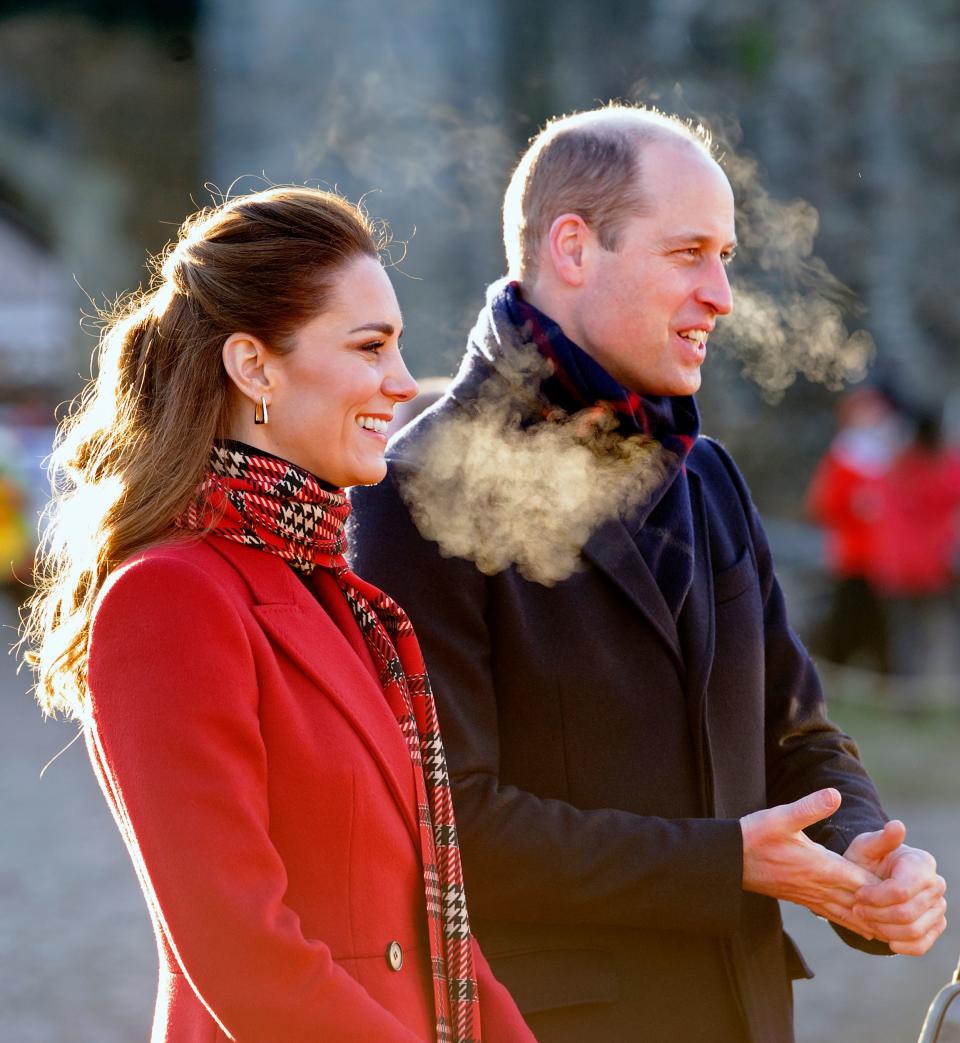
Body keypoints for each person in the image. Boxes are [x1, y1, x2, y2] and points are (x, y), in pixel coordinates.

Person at [349, 107, 947, 1042]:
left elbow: (795, 727)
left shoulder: (707, 472)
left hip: (746, 1012)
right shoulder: (412, 488)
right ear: (576, 249)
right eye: (690, 253)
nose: (722, 293)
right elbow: (447, 821)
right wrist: (727, 863)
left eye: (728, 256)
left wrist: (862, 859)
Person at [20, 187, 535, 1043]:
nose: (403, 384)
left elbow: (437, 933)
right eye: (371, 347)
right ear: (254, 367)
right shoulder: (170, 596)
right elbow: (240, 953)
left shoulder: (340, 596)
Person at [806, 386, 902, 673]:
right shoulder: (843, 455)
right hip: (853, 555)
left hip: (884, 559)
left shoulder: (887, 455)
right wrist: (856, 505)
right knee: (848, 618)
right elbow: (822, 504)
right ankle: (837, 669)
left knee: (881, 621)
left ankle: (882, 674)